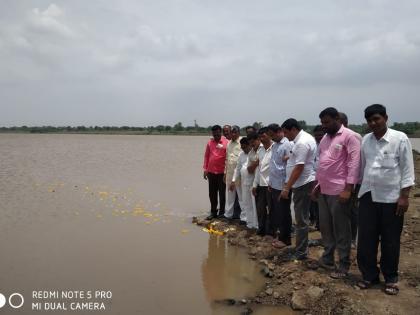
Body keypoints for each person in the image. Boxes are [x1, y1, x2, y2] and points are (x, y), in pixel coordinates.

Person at [357, 104, 415, 295]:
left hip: (392, 198)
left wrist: (404, 197)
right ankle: (369, 275)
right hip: (368, 196)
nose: (373, 123)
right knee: (366, 239)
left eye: (376, 119)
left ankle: (391, 278)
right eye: (369, 120)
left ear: (385, 118)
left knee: (390, 240)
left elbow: (407, 170)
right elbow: (364, 167)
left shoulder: (399, 138)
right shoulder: (366, 140)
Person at [312, 107, 361, 279]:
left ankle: (344, 263)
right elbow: (322, 163)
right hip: (324, 189)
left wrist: (348, 189)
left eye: (326, 122)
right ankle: (327, 258)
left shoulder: (350, 136)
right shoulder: (325, 138)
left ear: (337, 119)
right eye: (322, 123)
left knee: (341, 228)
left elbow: (354, 164)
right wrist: (317, 185)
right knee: (325, 227)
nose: (323, 126)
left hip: (340, 190)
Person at [280, 119, 316, 260]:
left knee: (301, 220)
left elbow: (299, 167)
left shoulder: (302, 142)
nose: (285, 135)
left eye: (286, 132)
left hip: (302, 184)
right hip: (300, 183)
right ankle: (300, 248)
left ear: (293, 129)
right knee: (301, 218)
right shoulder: (300, 140)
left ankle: (301, 252)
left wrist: (286, 187)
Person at [339, 111, 362, 248]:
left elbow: (355, 161)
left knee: (352, 211)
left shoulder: (353, 136)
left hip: (353, 182)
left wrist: (350, 185)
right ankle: (343, 237)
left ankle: (352, 238)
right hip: (341, 181)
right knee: (342, 211)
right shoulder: (334, 137)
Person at [267, 124, 293, 247]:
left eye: (272, 135)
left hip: (283, 185)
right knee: (278, 212)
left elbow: (289, 166)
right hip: (275, 184)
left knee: (284, 212)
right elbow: (273, 165)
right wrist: (271, 183)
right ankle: (280, 235)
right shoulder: (275, 145)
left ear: (279, 132)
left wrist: (286, 187)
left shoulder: (287, 145)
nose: (271, 137)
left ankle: (285, 239)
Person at [230, 137, 258, 229]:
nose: (243, 149)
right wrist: (233, 180)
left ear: (249, 145)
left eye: (245, 147)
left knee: (254, 204)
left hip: (254, 183)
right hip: (244, 182)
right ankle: (249, 223)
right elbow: (237, 168)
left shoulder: (254, 154)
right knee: (246, 203)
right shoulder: (242, 154)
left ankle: (256, 224)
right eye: (242, 147)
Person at [203, 125, 229, 220]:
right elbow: (206, 156)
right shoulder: (210, 142)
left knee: (222, 194)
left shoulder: (226, 142)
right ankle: (213, 212)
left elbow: (228, 158)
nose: (216, 135)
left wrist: (227, 172)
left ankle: (222, 213)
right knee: (212, 194)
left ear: (220, 133)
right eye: (214, 134)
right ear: (212, 134)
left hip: (222, 173)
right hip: (211, 172)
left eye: (218, 133)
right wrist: (205, 169)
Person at [252, 127, 273, 236]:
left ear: (269, 135)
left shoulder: (275, 149)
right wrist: (255, 185)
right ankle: (261, 229)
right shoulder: (260, 151)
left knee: (271, 209)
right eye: (260, 137)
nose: (262, 138)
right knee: (260, 209)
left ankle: (271, 231)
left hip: (271, 185)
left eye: (263, 136)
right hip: (260, 184)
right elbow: (258, 170)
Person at [224, 126, 243, 220]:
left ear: (239, 133)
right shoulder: (228, 144)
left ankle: (244, 217)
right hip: (230, 172)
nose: (233, 134)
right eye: (232, 132)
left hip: (239, 174)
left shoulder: (242, 142)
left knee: (241, 197)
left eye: (235, 132)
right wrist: (225, 173)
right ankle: (228, 215)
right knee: (230, 196)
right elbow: (227, 159)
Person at [309, 125, 325, 230]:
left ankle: (320, 224)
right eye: (316, 135)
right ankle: (314, 220)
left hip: (323, 177)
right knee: (313, 201)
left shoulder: (327, 144)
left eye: (320, 135)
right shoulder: (314, 145)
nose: (318, 137)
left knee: (321, 203)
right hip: (313, 176)